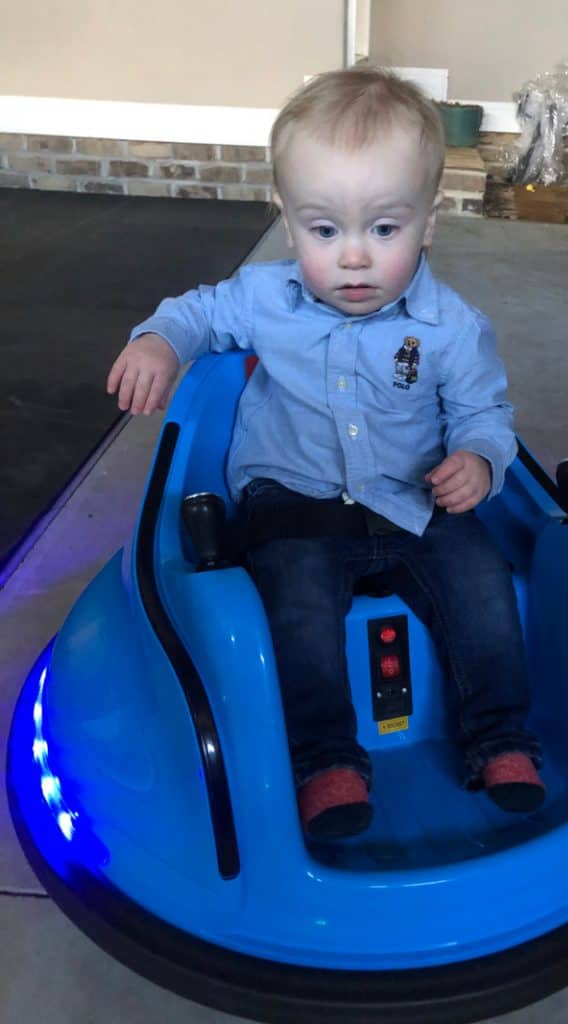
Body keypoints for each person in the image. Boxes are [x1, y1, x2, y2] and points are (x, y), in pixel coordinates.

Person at [107, 66, 545, 840]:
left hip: (415, 501)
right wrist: (158, 340)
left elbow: (484, 412)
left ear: (428, 221)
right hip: (294, 504)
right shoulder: (262, 297)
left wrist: (477, 458)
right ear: (286, 218)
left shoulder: (452, 326)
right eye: (324, 230)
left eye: (384, 229)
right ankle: (325, 761)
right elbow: (197, 314)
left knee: (483, 581)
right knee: (296, 602)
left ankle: (500, 738)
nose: (353, 258)